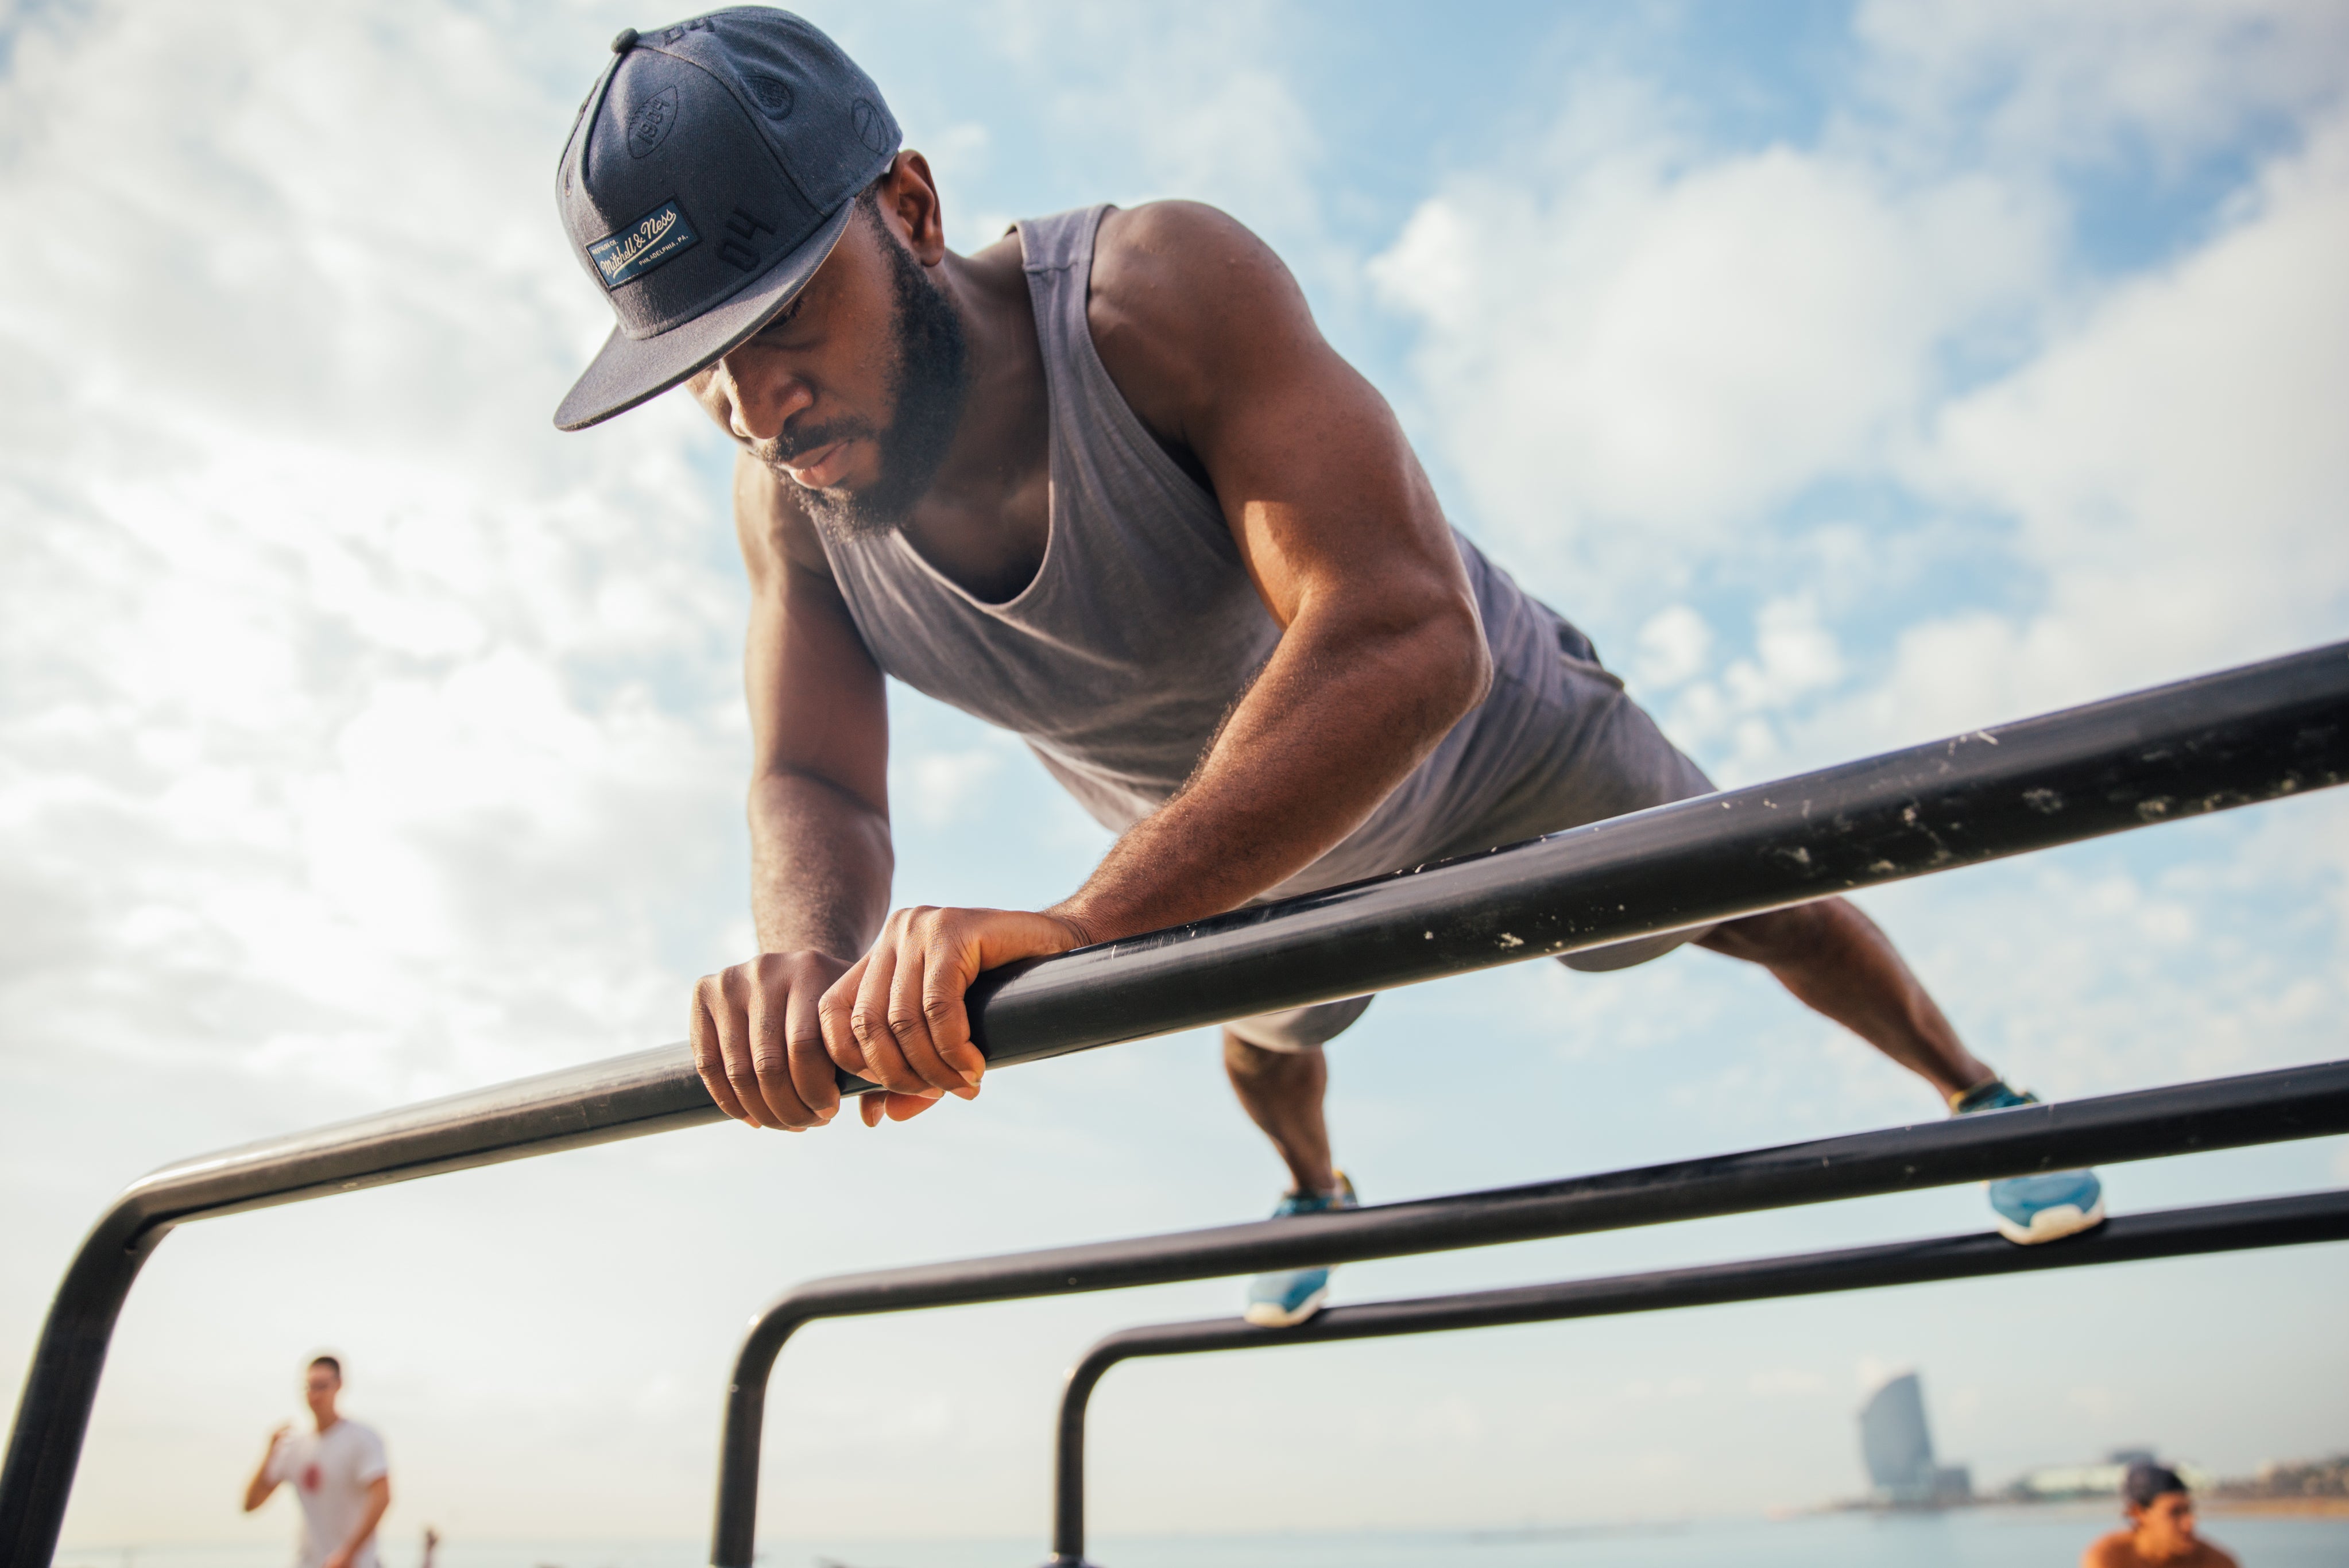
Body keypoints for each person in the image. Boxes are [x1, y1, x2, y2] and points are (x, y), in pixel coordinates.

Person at [551, 8, 2107, 1326]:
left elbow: (1404, 631)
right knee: (1267, 1046)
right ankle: (1317, 1199)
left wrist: (1092, 924)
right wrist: (808, 961)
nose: (759, 400)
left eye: (785, 312)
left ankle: (1977, 1091)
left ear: (908, 203)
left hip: (1489, 735)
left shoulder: (1149, 295)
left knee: (1755, 888)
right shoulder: (791, 509)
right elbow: (811, 773)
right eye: (704, 366)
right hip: (1227, 848)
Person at [242, 1356, 391, 1568]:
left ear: (339, 1386)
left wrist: (348, 1554)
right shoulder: (292, 1446)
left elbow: (383, 1497)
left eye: (322, 1386)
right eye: (309, 1387)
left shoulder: (363, 1439)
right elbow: (250, 1505)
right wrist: (268, 1452)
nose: (314, 1395)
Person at [2083, 1463, 2238, 1567]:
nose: (2190, 1523)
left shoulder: (2217, 1562)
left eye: (2189, 1510)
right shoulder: (2111, 1557)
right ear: (2138, 1514)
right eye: (2174, 1513)